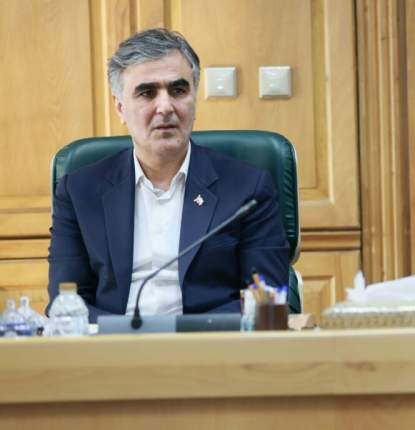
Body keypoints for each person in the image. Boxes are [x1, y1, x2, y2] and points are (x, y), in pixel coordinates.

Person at [47, 29, 289, 322]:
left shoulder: (248, 188)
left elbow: (266, 300)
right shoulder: (79, 191)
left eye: (178, 91)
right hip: (114, 344)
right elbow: (66, 302)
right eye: (146, 93)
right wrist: (124, 334)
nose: (165, 107)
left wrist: (187, 333)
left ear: (194, 99)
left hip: (209, 343)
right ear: (120, 108)